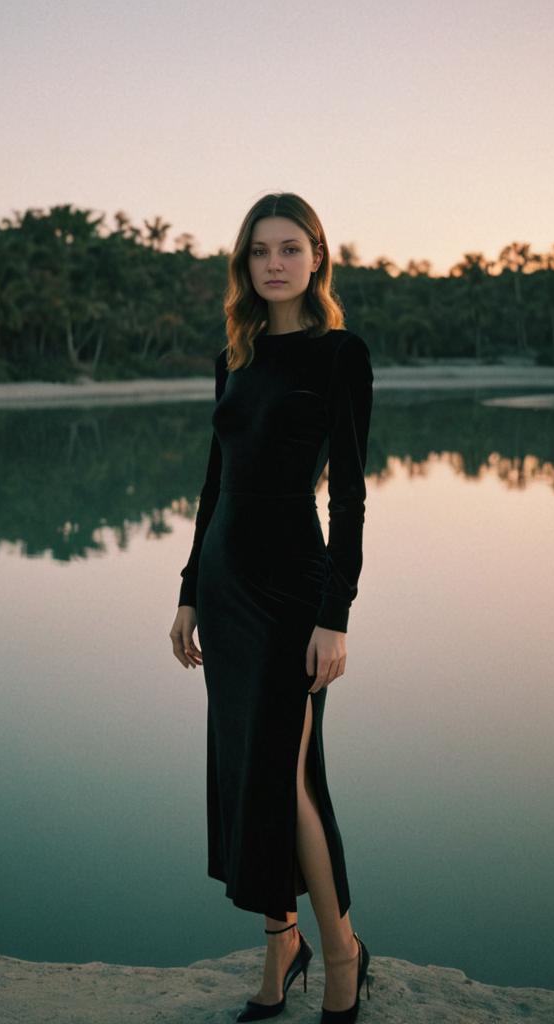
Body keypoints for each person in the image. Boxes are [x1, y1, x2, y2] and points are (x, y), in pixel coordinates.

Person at [169, 193, 375, 1023]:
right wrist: (187, 588)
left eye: (291, 248)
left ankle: (342, 952)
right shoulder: (235, 355)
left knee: (289, 776)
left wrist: (338, 614)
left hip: (294, 588)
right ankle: (279, 941)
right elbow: (214, 483)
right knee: (249, 768)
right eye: (260, 250)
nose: (276, 263)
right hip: (224, 585)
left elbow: (352, 500)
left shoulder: (339, 355)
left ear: (317, 257)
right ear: (245, 264)